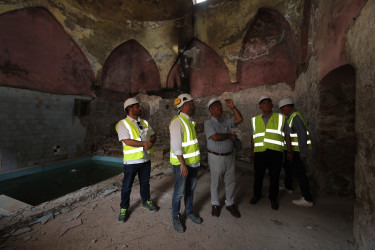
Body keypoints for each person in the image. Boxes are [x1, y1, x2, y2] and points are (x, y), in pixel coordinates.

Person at [115, 97, 158, 223]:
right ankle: (124, 208)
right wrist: (145, 143)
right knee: (127, 187)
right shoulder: (122, 124)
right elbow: (127, 141)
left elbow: (153, 134)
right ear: (129, 109)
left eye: (139, 106)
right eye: (137, 107)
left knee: (145, 184)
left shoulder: (144, 122)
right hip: (131, 162)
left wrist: (150, 142)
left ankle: (146, 201)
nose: (140, 108)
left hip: (145, 160)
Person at [249, 95, 292, 210]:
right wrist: (252, 150)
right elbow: (253, 137)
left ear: (272, 105)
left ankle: (273, 198)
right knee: (258, 176)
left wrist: (289, 151)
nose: (266, 104)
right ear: (260, 107)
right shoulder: (255, 120)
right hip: (260, 153)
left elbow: (287, 135)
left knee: (274, 177)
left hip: (275, 152)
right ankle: (256, 195)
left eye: (268, 102)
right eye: (263, 103)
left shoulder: (281, 118)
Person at [204, 98, 243, 218]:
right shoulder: (208, 123)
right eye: (216, 106)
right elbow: (215, 137)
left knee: (231, 181)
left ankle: (230, 203)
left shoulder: (226, 121)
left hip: (230, 156)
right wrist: (230, 135)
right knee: (215, 182)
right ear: (211, 110)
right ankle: (215, 204)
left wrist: (233, 107)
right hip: (216, 157)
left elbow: (239, 119)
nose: (219, 108)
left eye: (220, 105)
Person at [170, 93, 202, 233]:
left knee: (190, 190)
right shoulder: (177, 121)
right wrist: (182, 164)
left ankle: (189, 212)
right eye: (193, 103)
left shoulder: (188, 120)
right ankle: (176, 217)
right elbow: (176, 145)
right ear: (187, 105)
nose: (194, 106)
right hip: (182, 165)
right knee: (179, 192)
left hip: (193, 163)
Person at [278, 97, 313, 207]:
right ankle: (288, 187)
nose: (281, 111)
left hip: (297, 151)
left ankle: (307, 199)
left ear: (288, 107)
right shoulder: (290, 117)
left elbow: (302, 136)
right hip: (291, 150)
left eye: (282, 109)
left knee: (301, 174)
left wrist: (303, 153)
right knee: (288, 167)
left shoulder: (295, 117)